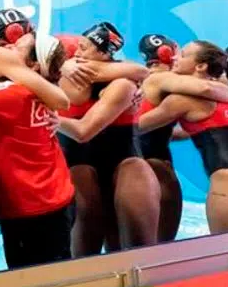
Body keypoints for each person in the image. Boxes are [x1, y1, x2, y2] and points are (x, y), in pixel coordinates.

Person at [139, 41, 228, 233]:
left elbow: (135, 127)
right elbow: (208, 129)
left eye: (182, 55)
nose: (175, 58)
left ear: (200, 66)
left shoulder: (182, 100)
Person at [0, 32, 74, 267]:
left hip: (27, 205)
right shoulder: (38, 90)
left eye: (16, 47)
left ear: (33, 65)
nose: (6, 47)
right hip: (53, 197)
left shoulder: (10, 95)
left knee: (30, 284)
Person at [56, 22, 160, 255]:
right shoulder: (62, 70)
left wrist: (49, 119)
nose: (77, 53)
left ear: (104, 53)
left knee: (135, 252)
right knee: (84, 256)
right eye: (77, 47)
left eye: (84, 48)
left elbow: (83, 132)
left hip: (124, 162)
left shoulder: (122, 83)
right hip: (79, 164)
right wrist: (63, 65)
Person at [137, 34, 183, 242]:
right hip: (156, 164)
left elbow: (153, 127)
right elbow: (205, 86)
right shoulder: (162, 79)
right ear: (169, 52)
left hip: (138, 162)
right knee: (163, 245)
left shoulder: (144, 79)